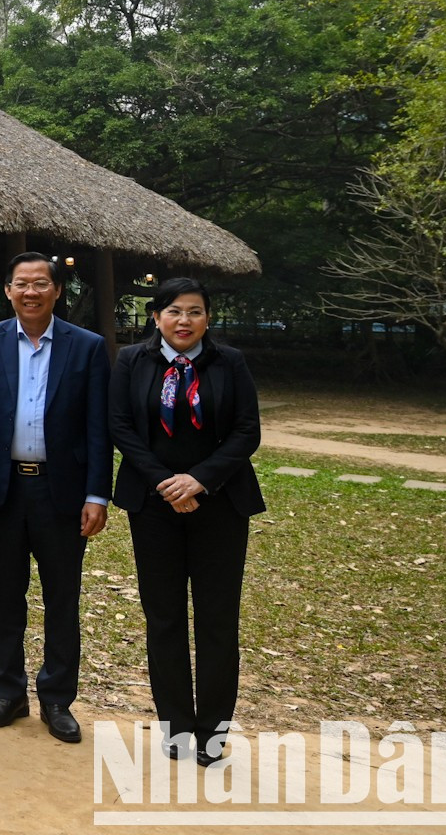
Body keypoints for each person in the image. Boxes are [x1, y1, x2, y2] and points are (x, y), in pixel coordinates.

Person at [110, 278, 264, 767]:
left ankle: (213, 734)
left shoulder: (229, 362)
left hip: (219, 503)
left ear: (208, 318)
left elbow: (246, 431)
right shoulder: (132, 361)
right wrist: (165, 484)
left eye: (194, 311)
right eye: (173, 311)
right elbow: (122, 428)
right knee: (165, 618)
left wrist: (198, 480)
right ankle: (175, 729)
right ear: (156, 317)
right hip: (153, 506)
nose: (183, 321)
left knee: (218, 620)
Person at [0, 252, 112, 744]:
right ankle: (6, 692)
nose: (30, 292)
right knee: (4, 595)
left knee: (62, 597)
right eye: (20, 284)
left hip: (63, 492)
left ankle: (57, 698)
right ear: (8, 291)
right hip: (4, 490)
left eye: (40, 284)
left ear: (56, 291)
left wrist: (98, 494)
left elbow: (99, 427)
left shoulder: (87, 347)